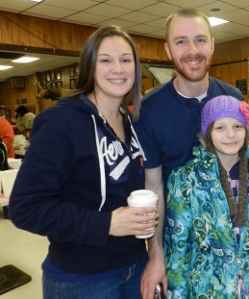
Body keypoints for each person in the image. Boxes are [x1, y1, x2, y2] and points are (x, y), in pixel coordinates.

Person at [135, 8, 249, 299]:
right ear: (167, 49)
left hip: (238, 250)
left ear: (212, 44)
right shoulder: (151, 109)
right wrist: (155, 254)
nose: (193, 50)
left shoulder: (231, 97)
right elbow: (154, 185)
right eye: (181, 41)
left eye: (200, 40)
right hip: (188, 245)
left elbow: (246, 159)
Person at [9, 26, 158, 299]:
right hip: (82, 280)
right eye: (106, 60)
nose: (118, 68)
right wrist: (106, 225)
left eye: (126, 60)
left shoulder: (130, 121)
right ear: (90, 65)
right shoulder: (61, 122)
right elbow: (24, 208)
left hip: (134, 266)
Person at [165, 95, 249, 298]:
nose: (230, 134)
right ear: (207, 132)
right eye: (220, 127)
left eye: (238, 126)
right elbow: (178, 253)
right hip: (208, 289)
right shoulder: (186, 180)